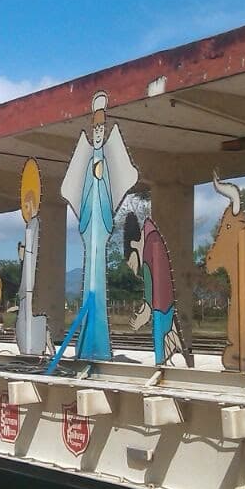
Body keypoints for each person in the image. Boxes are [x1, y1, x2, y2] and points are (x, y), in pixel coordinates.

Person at [54, 91, 138, 367]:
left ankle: (98, 341)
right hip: (91, 225)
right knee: (91, 274)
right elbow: (84, 191)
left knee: (97, 278)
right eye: (96, 128)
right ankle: (88, 340)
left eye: (102, 128)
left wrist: (103, 210)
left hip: (100, 225)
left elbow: (108, 191)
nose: (99, 133)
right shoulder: (90, 160)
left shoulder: (105, 161)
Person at [124, 214, 192, 367]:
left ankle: (165, 357)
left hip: (163, 310)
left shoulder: (150, 247)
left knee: (164, 339)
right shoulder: (154, 237)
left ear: (134, 245)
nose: (135, 271)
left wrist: (142, 317)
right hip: (166, 307)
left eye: (132, 264)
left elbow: (151, 290)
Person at [15, 158, 51, 356]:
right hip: (25, 288)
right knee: (24, 311)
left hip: (30, 287)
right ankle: (30, 344)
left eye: (29, 206)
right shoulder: (30, 227)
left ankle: (36, 344)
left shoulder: (35, 226)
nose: (26, 210)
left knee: (29, 310)